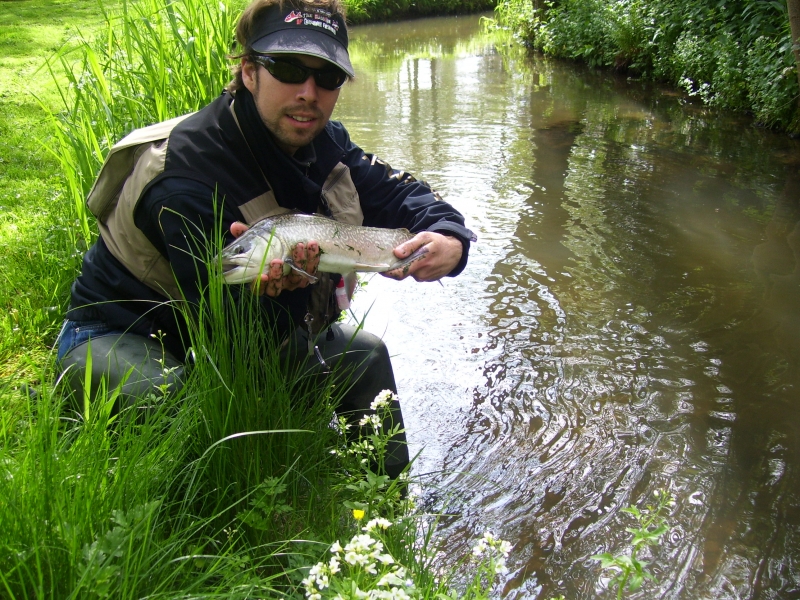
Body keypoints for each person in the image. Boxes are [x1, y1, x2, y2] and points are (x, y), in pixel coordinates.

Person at [56, 0, 475, 478]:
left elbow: (402, 193)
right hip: (121, 331)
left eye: (328, 77)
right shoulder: (187, 175)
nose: (309, 93)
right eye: (289, 69)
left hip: (248, 328)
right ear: (249, 71)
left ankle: (385, 519)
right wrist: (284, 297)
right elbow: (233, 334)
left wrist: (449, 237)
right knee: (176, 406)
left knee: (366, 356)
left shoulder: (324, 142)